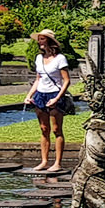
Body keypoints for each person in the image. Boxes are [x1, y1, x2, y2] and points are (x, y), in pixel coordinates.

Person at [24, 29, 73, 173]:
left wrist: (57, 98)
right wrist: (29, 95)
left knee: (57, 129)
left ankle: (57, 162)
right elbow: (38, 79)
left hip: (55, 95)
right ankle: (44, 161)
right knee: (44, 129)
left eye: (42, 39)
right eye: (39, 39)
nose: (39, 42)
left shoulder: (60, 59)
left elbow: (66, 81)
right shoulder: (39, 58)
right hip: (41, 94)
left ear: (50, 41)